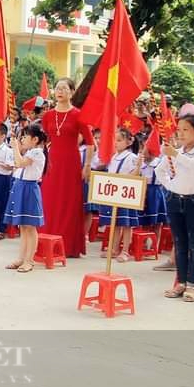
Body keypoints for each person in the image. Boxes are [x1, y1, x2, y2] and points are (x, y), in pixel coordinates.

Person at [157, 115, 194, 302]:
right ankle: (180, 282)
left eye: (185, 129)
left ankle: (192, 285)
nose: (180, 133)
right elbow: (160, 170)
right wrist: (171, 186)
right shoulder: (177, 151)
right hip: (175, 200)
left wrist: (175, 154)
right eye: (179, 129)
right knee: (179, 243)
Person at [41, 79, 94, 258]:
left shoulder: (79, 114)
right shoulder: (47, 115)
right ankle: (46, 243)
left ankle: (68, 246)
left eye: (64, 88)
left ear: (72, 92)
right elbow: (43, 141)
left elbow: (91, 144)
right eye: (57, 88)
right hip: (52, 164)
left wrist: (86, 165)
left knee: (69, 203)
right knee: (49, 201)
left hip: (71, 164)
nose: (60, 91)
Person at [3, 124, 47, 273]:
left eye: (25, 136)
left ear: (35, 139)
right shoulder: (29, 152)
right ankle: (21, 258)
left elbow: (20, 163)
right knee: (22, 226)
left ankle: (29, 260)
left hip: (29, 188)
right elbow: (17, 163)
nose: (22, 139)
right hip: (20, 186)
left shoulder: (37, 152)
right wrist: (17, 148)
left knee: (30, 226)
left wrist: (15, 147)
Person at [98, 128, 141, 261]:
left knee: (126, 224)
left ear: (128, 142)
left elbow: (135, 176)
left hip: (126, 193)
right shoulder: (114, 156)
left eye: (119, 140)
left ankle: (125, 251)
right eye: (115, 140)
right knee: (115, 222)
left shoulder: (131, 157)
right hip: (114, 193)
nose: (116, 143)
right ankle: (114, 249)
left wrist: (138, 167)